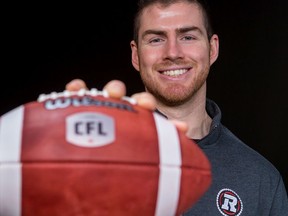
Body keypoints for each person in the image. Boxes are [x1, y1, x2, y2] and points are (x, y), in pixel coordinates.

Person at [66, 0, 288, 215]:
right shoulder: (98, 151)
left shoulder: (261, 179)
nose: (172, 52)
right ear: (136, 55)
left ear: (212, 49)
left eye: (188, 37)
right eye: (155, 39)